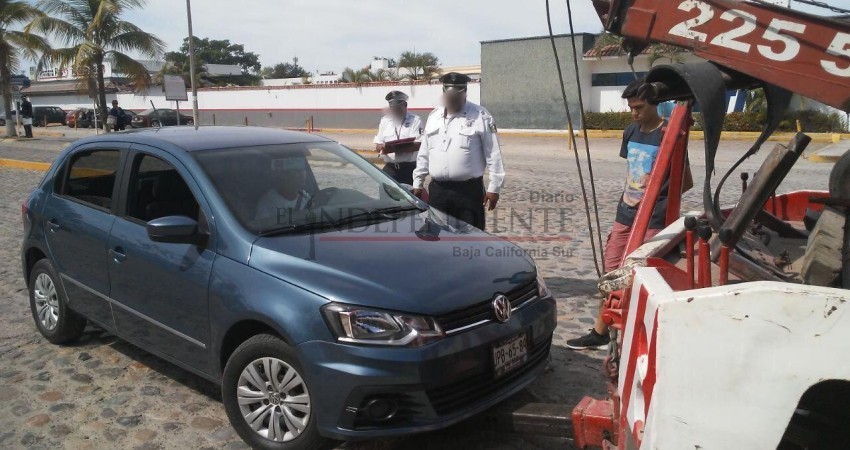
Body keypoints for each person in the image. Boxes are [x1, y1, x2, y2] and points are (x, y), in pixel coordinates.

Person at [567, 78, 685, 350]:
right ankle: (600, 331)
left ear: (655, 105)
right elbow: (633, 172)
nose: (635, 113)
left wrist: (660, 199)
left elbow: (683, 180)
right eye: (631, 107)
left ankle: (635, 335)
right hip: (625, 213)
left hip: (653, 218)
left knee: (638, 277)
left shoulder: (669, 134)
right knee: (611, 273)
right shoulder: (631, 132)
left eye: (640, 107)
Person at [412, 72, 504, 230]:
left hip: (468, 193)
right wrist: (418, 182)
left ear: (465, 93)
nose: (453, 100)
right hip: (438, 192)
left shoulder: (480, 116)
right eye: (450, 96)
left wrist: (494, 187)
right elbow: (424, 152)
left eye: (457, 96)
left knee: (471, 239)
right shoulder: (434, 116)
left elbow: (493, 153)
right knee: (438, 236)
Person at [374, 91, 422, 185]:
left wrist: (394, 149)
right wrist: (382, 148)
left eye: (398, 108)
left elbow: (418, 145)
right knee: (386, 195)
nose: (395, 111)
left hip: (409, 169)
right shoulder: (385, 121)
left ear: (405, 105)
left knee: (410, 197)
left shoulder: (415, 120)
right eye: (393, 108)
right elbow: (378, 145)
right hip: (390, 168)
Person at [254, 157, 312, 224]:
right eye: (297, 171)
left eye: (303, 170)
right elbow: (262, 229)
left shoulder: (306, 198)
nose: (302, 175)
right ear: (284, 175)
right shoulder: (268, 203)